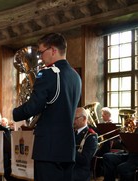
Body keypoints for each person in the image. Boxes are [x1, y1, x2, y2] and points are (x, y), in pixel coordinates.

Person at [13, 33, 82, 181]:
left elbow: (33, 106)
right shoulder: (75, 76)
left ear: (53, 50)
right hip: (67, 148)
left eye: (41, 52)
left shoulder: (48, 73)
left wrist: (15, 113)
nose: (40, 57)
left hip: (48, 148)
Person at [73, 107, 98, 181]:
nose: (73, 121)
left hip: (80, 171)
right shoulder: (72, 132)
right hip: (70, 167)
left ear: (84, 119)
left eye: (75, 118)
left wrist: (69, 150)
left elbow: (85, 160)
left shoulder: (91, 136)